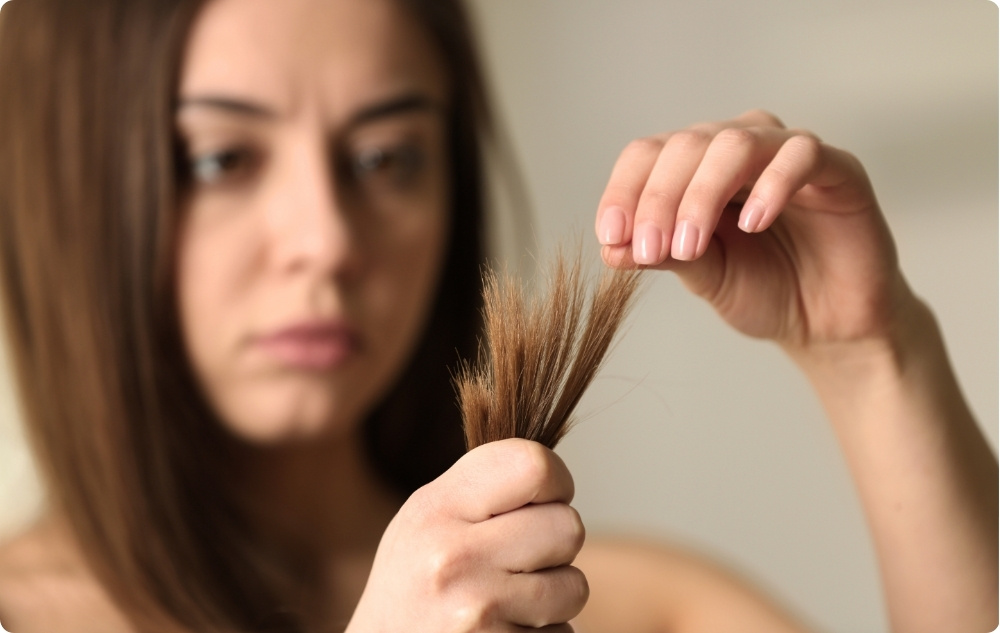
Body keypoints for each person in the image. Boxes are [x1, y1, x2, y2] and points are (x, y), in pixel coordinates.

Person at [0, 0, 994, 632]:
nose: (327, 239)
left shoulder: (635, 609)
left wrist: (872, 352)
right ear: (69, 193)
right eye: (220, 159)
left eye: (385, 158)